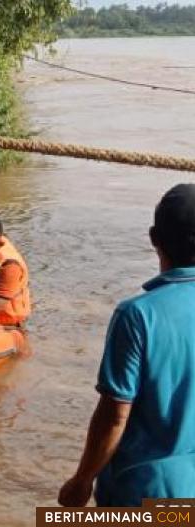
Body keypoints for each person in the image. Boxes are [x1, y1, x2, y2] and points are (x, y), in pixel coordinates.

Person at [59, 183, 195, 507]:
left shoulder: (138, 315)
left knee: (53, 517)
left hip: (148, 494)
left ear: (154, 238)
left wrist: (81, 481)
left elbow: (114, 415)